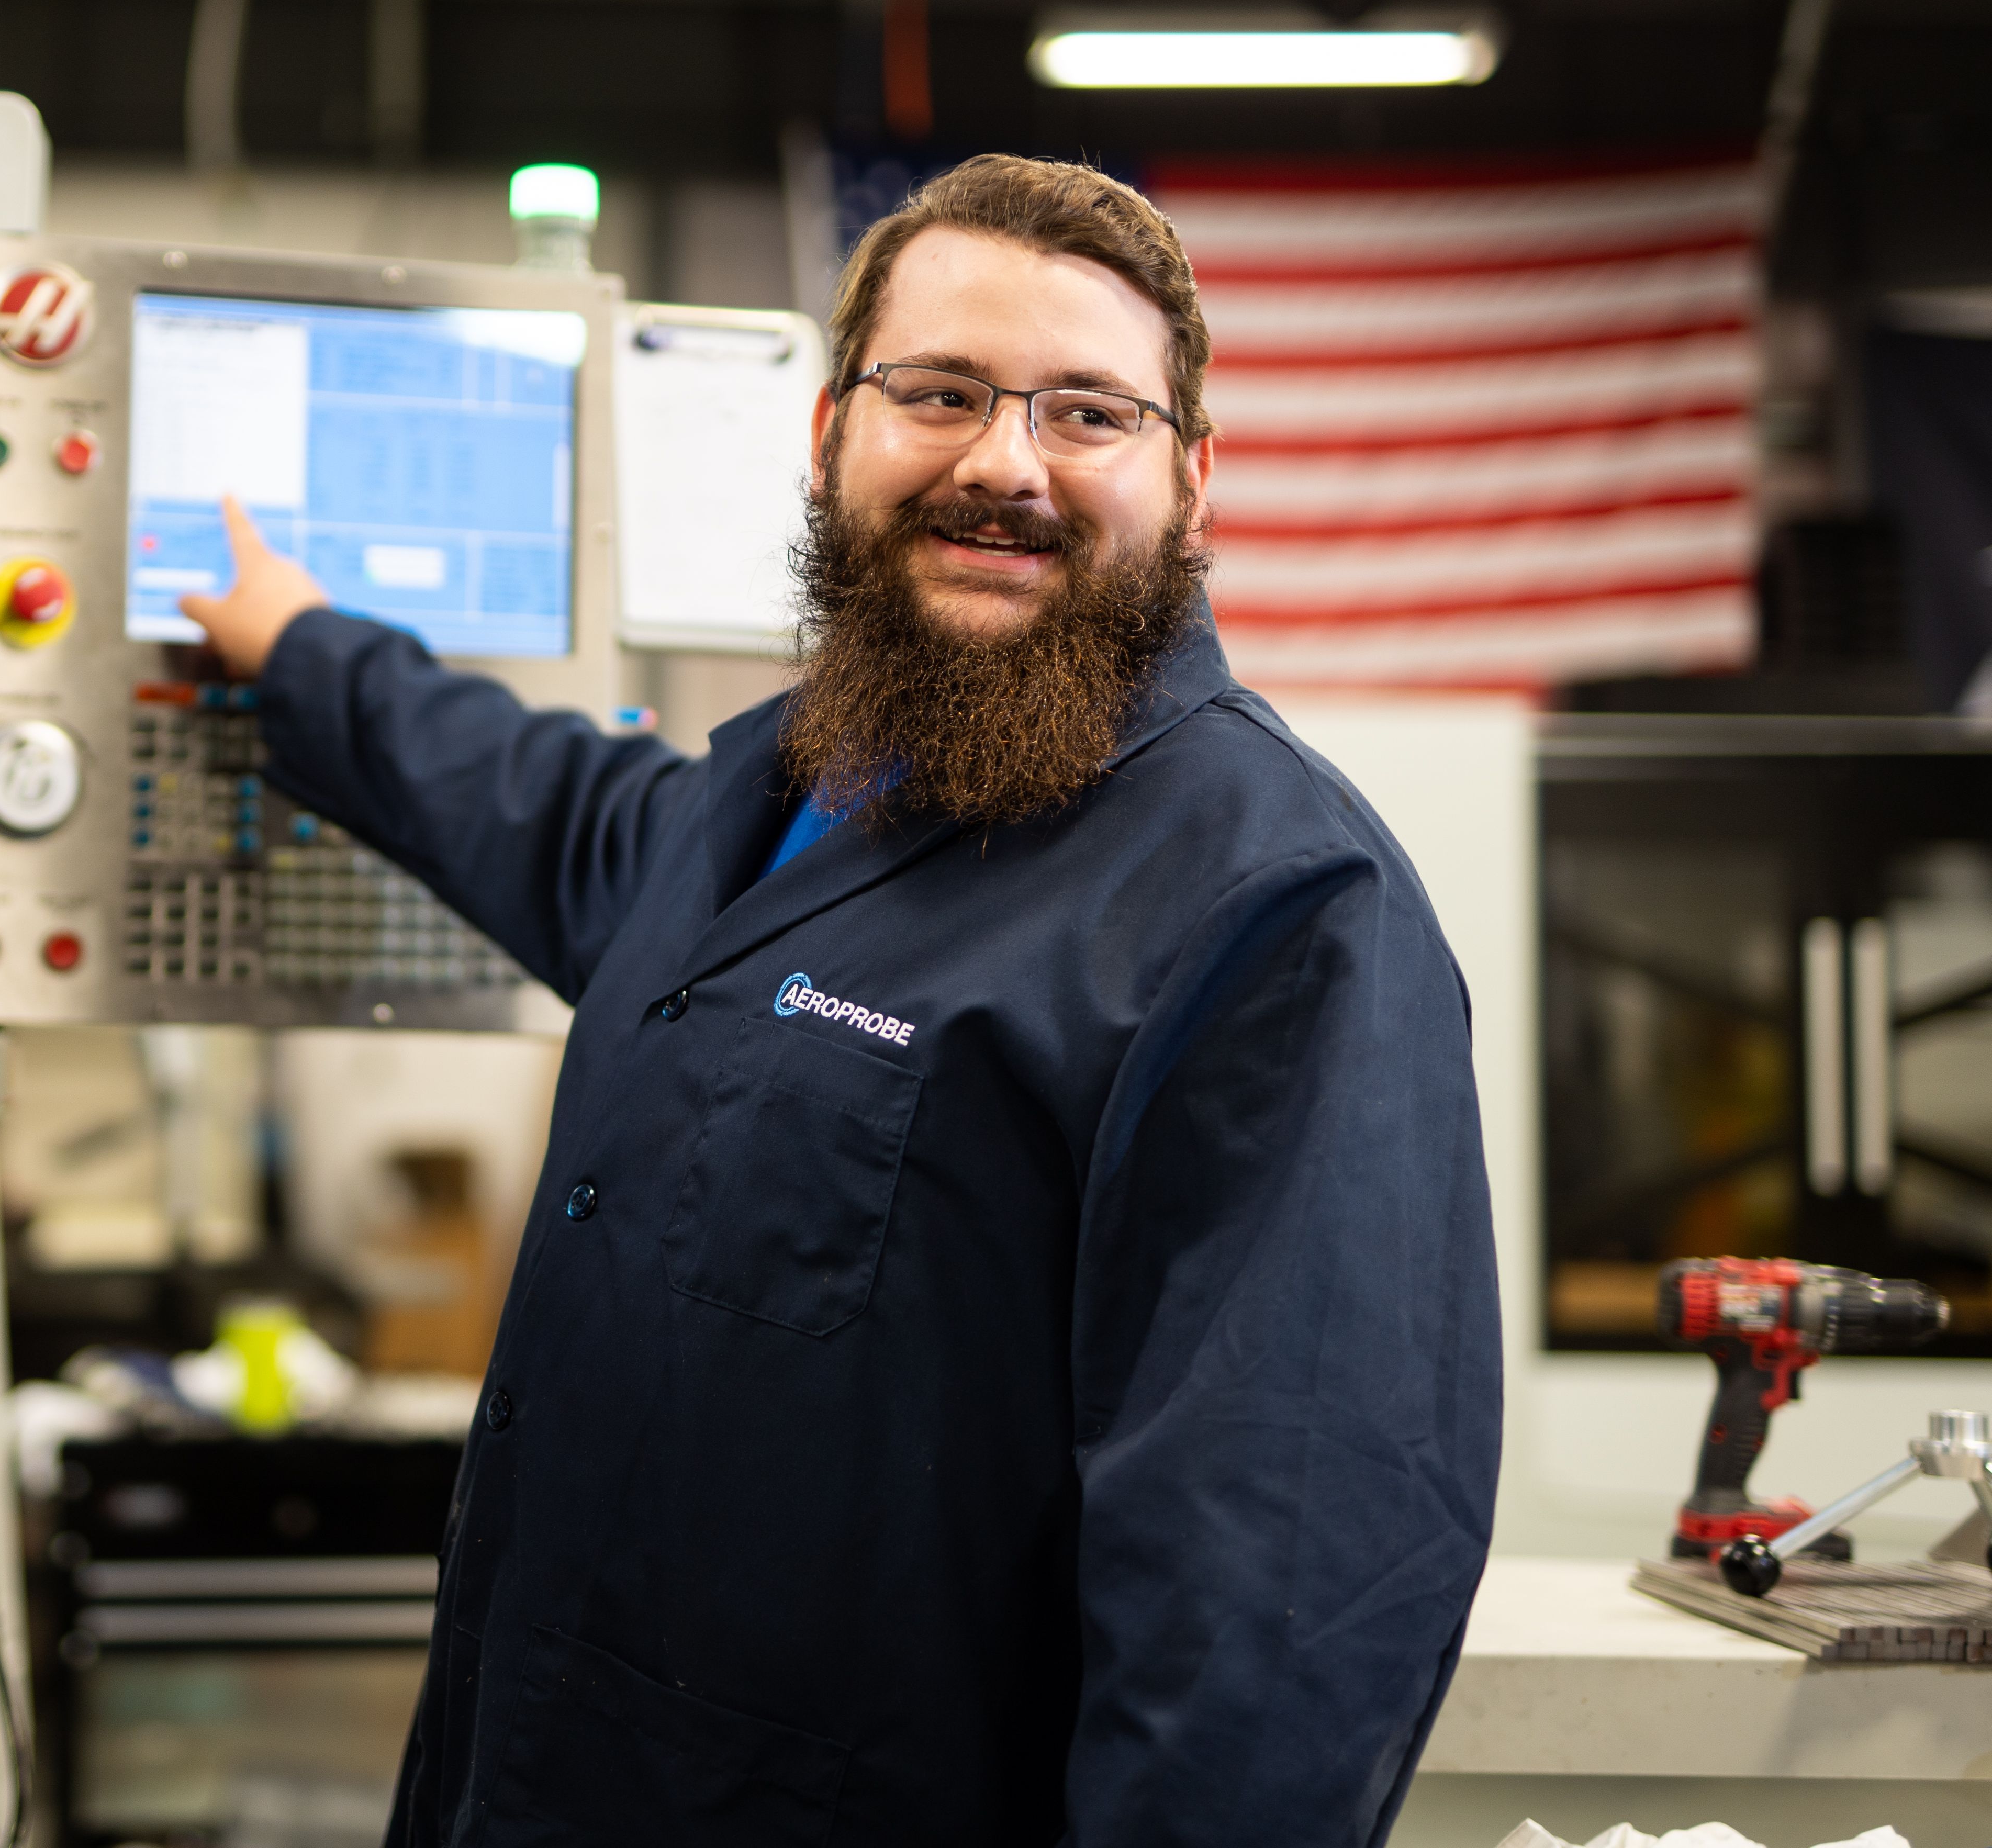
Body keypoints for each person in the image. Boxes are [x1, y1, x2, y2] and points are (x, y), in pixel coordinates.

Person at [180, 154, 1499, 1847]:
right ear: (831, 438)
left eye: (1088, 414)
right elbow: (543, 809)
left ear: (1193, 482)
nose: (1005, 463)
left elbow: (1281, 1615)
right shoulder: (773, 799)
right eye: (940, 392)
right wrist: (303, 650)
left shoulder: (1283, 913)